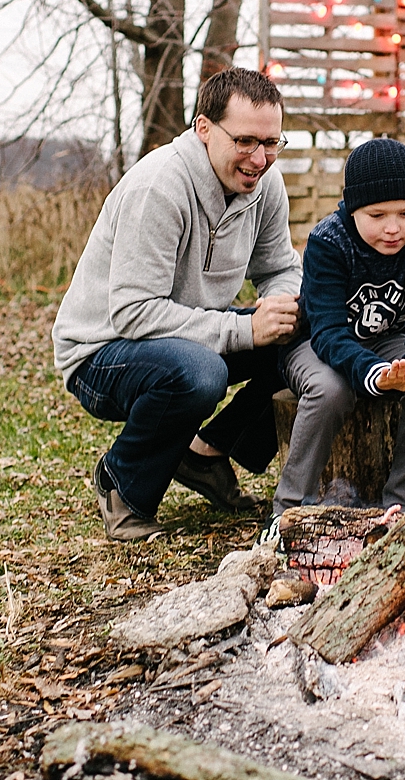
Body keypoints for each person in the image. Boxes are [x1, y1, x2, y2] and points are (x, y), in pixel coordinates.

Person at [52, 68, 302, 541]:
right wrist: (245, 330)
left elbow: (280, 266)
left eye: (272, 142)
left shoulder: (265, 183)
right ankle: (122, 484)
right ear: (204, 128)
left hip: (191, 336)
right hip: (103, 351)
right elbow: (133, 312)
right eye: (246, 140)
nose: (260, 158)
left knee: (305, 328)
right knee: (199, 372)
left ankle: (205, 453)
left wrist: (280, 303)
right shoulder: (160, 187)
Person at [272, 138, 405, 524]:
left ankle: (403, 501)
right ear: (352, 208)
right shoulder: (328, 242)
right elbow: (328, 330)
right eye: (377, 215)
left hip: (387, 339)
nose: (394, 228)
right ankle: (290, 509)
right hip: (316, 344)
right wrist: (376, 375)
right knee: (331, 390)